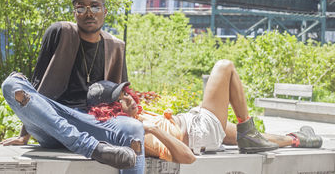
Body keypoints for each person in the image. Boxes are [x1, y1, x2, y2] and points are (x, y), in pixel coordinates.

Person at [0, 0, 145, 173]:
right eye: (81, 7)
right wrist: (24, 135)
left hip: (90, 122)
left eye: (95, 6)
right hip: (51, 122)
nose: (89, 13)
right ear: (74, 13)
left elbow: (122, 95)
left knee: (133, 129)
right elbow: (36, 86)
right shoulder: (60, 32)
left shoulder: (116, 46)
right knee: (11, 84)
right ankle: (91, 148)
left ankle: (89, 145)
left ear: (105, 11)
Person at [86, 60, 323, 164]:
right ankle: (248, 130)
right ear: (111, 110)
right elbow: (181, 154)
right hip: (200, 130)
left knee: (246, 135)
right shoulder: (135, 131)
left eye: (126, 93)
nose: (129, 97)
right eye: (121, 99)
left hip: (197, 125)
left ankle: (297, 139)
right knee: (224, 67)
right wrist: (155, 127)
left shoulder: (131, 118)